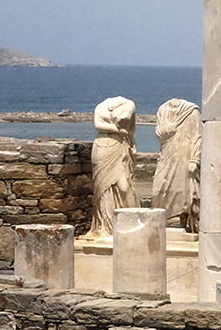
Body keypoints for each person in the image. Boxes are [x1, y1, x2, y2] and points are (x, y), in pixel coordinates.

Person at [85, 97, 139, 238]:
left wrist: (120, 130)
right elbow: (98, 125)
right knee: (102, 188)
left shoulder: (129, 104)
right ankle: (104, 226)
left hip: (119, 147)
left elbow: (124, 118)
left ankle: (129, 223)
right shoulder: (101, 105)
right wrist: (117, 129)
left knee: (124, 186)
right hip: (102, 146)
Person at [152, 99, 201, 232]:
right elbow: (159, 133)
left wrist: (195, 159)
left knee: (183, 190)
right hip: (167, 154)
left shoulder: (191, 111)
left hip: (185, 154)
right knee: (159, 187)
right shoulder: (163, 109)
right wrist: (167, 129)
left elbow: (197, 136)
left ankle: (183, 223)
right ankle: (160, 223)